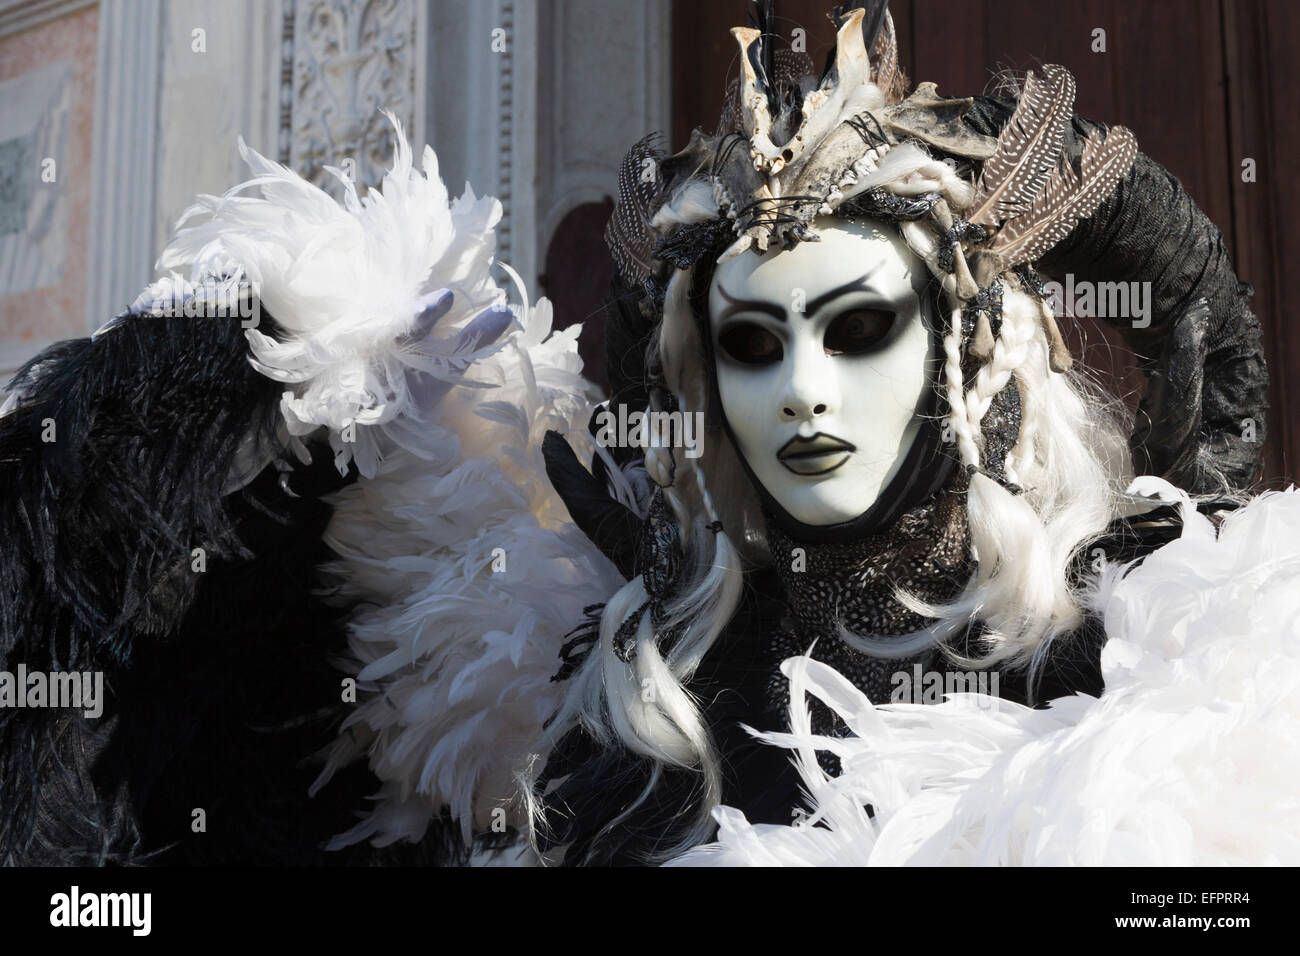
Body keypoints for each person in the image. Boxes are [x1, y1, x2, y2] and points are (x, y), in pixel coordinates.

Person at [0, 2, 1288, 867]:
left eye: (855, 331)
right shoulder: (639, 689)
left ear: (960, 348)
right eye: (749, 342)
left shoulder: (1141, 664)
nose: (798, 389)